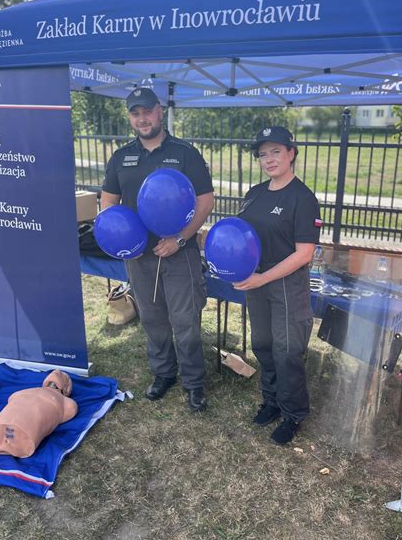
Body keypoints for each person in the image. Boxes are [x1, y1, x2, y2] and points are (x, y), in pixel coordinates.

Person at [100, 88, 214, 412]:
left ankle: (193, 383)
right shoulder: (121, 157)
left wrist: (180, 238)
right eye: (135, 113)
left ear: (159, 111)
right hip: (139, 256)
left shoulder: (184, 153)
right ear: (130, 118)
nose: (142, 118)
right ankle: (164, 373)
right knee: (152, 318)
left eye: (147, 111)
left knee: (184, 319)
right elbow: (108, 203)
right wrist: (122, 243)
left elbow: (206, 200)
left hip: (179, 252)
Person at [234, 126, 321, 444]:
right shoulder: (254, 194)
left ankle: (294, 413)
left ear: (291, 154)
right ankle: (271, 401)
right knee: (264, 345)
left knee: (287, 351)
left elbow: (305, 253)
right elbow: (241, 237)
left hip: (286, 283)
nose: (268, 159)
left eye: (275, 152)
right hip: (255, 280)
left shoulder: (303, 198)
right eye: (262, 154)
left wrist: (263, 277)